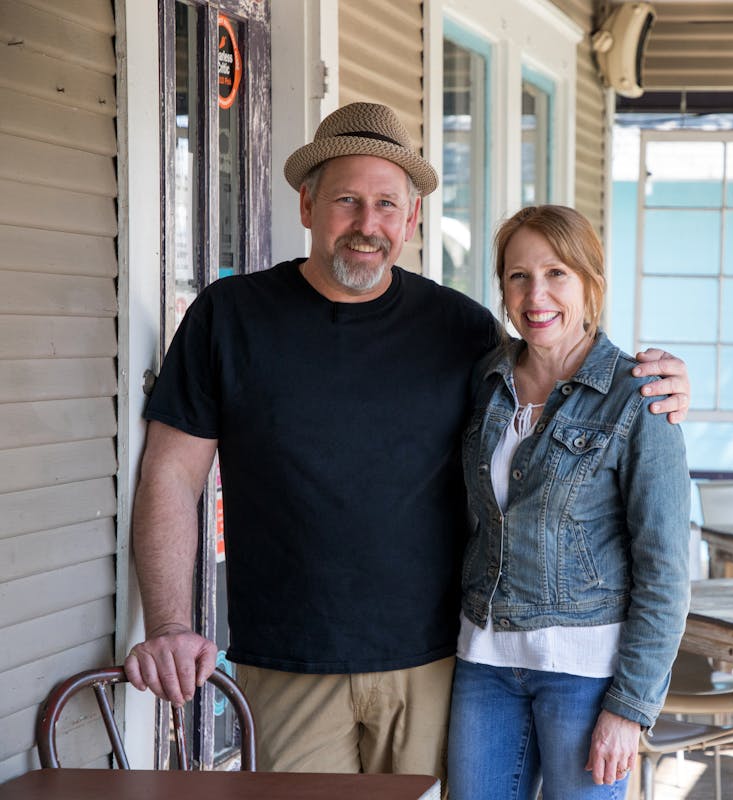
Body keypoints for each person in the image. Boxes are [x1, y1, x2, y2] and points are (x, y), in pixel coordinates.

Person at [122, 103, 691, 780]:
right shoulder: (229, 317)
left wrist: (658, 383)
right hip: (286, 658)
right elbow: (171, 475)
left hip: (436, 660)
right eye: (347, 201)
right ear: (307, 205)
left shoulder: (461, 330)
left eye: (388, 205)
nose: (368, 225)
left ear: (412, 219)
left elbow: (557, 366)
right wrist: (166, 624)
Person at [447, 205, 691, 798]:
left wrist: (630, 707)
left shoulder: (640, 397)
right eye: (518, 276)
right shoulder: (484, 381)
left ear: (591, 285)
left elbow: (665, 568)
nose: (537, 294)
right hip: (484, 658)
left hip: (586, 674)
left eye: (557, 273)